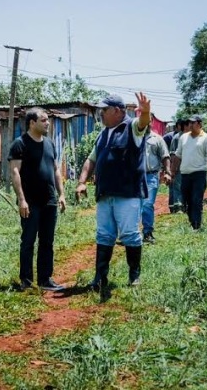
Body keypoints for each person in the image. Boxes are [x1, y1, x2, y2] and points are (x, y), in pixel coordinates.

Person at [75, 93, 150, 290]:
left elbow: (143, 122)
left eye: (104, 110)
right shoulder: (102, 134)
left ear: (117, 111)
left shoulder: (131, 127)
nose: (100, 114)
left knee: (129, 234)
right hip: (105, 193)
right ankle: (100, 278)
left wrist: (146, 111)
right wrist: (82, 182)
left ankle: (134, 276)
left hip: (127, 193)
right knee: (104, 235)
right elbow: (91, 160)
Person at [8, 107, 67, 291]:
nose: (47, 123)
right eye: (43, 120)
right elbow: (15, 172)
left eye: (47, 120)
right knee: (28, 241)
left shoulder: (49, 144)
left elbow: (56, 170)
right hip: (30, 201)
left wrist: (62, 194)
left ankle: (45, 279)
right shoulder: (20, 144)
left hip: (49, 200)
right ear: (32, 123)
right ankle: (26, 280)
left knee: (47, 241)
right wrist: (22, 200)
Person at [172, 115, 207, 230]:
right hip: (185, 174)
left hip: (199, 173)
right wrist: (172, 171)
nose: (190, 125)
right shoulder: (183, 138)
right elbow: (178, 155)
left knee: (196, 199)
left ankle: (196, 225)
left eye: (193, 123)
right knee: (186, 199)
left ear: (199, 124)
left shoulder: (206, 138)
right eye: (189, 123)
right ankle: (192, 221)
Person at [141, 127, 171, 243]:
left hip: (151, 176)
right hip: (135, 176)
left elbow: (165, 156)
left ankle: (147, 233)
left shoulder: (157, 139)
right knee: (134, 205)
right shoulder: (134, 137)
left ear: (151, 122)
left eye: (148, 119)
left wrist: (167, 172)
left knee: (147, 204)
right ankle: (130, 234)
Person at [169, 119, 190, 213]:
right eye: (189, 125)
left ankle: (186, 206)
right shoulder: (177, 138)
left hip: (189, 167)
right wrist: (174, 168)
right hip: (179, 167)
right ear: (184, 126)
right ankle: (178, 207)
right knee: (178, 187)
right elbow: (173, 154)